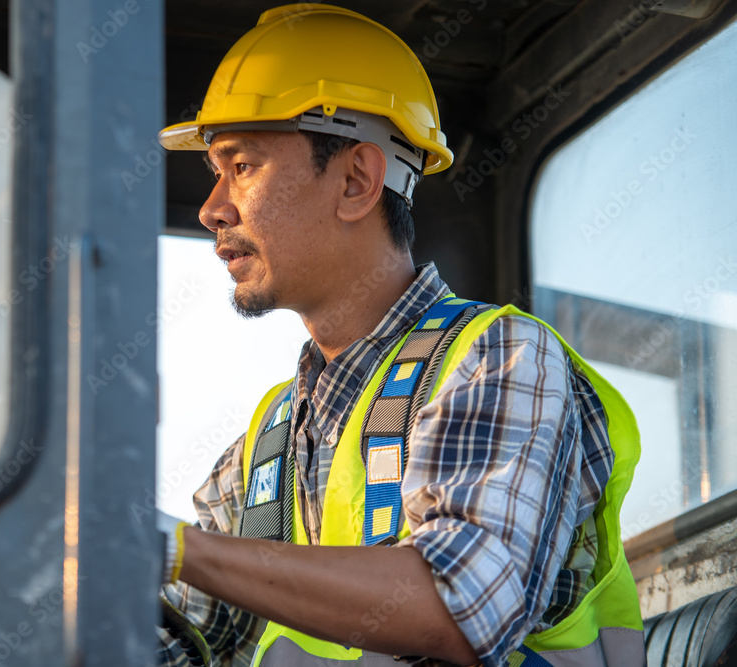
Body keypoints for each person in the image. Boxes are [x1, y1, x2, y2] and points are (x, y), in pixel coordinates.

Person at [155, 5, 645, 666]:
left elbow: (460, 606)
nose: (212, 206)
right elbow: (170, 637)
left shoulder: (502, 362)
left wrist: (179, 548)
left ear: (356, 180)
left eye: (242, 166)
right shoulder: (264, 450)